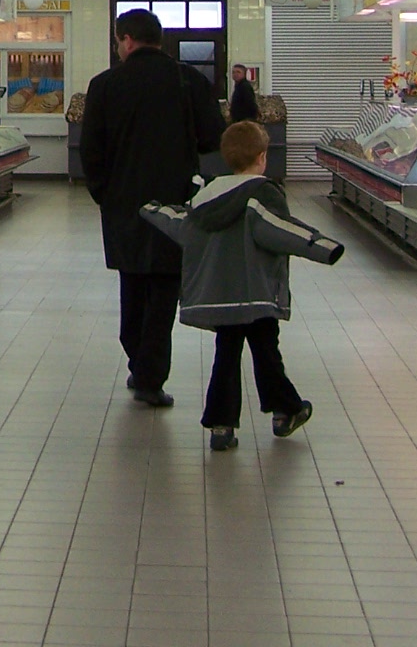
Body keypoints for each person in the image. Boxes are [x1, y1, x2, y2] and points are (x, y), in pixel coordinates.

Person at [143, 119, 342, 450]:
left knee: (226, 354)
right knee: (266, 354)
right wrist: (323, 246)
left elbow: (181, 224)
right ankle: (286, 410)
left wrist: (152, 210)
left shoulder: (205, 198)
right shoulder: (261, 195)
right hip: (256, 292)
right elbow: (280, 229)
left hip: (221, 296)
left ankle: (221, 425)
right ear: (262, 157)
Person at [80, 8, 225, 408]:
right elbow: (215, 138)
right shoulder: (188, 80)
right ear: (158, 40)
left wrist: (103, 193)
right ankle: (149, 376)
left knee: (132, 281)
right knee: (164, 287)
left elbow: (89, 150)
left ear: (126, 39)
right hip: (175, 202)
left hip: (123, 203)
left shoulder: (105, 85)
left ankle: (138, 361)